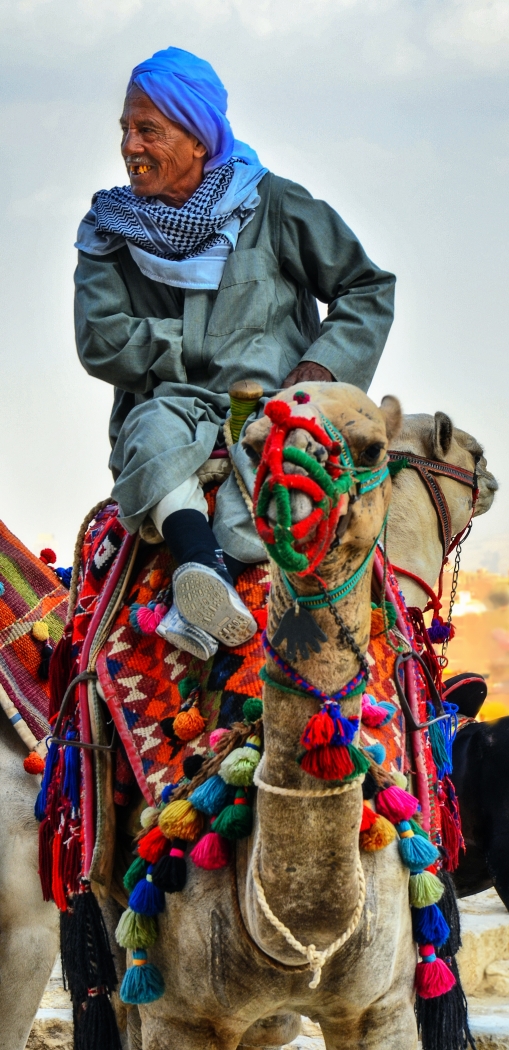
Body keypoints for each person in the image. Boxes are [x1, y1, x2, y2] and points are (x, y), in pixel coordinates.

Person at [74, 46, 396, 660]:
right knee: (150, 433)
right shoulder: (109, 227)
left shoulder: (273, 204)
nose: (130, 146)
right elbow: (101, 340)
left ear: (198, 138)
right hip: (170, 407)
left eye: (148, 130)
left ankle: (219, 587)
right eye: (126, 130)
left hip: (278, 409)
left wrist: (322, 367)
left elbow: (367, 286)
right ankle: (203, 571)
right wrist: (197, 352)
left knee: (301, 484)